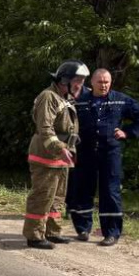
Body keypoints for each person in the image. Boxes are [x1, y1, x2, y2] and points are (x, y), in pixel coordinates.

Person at [66, 68, 139, 246]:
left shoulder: (120, 99)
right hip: (85, 151)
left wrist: (127, 132)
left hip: (110, 153)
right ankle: (82, 228)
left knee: (110, 192)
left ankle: (111, 233)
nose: (103, 85)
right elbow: (65, 121)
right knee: (82, 189)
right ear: (92, 83)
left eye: (106, 82)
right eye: (100, 82)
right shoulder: (79, 101)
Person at [24, 61, 89, 249]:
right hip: (46, 155)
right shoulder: (49, 97)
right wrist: (60, 148)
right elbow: (45, 128)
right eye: (78, 80)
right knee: (42, 196)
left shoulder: (64, 97)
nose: (81, 85)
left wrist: (66, 150)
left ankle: (52, 232)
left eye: (82, 81)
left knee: (58, 197)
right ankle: (34, 236)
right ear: (65, 80)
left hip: (60, 157)